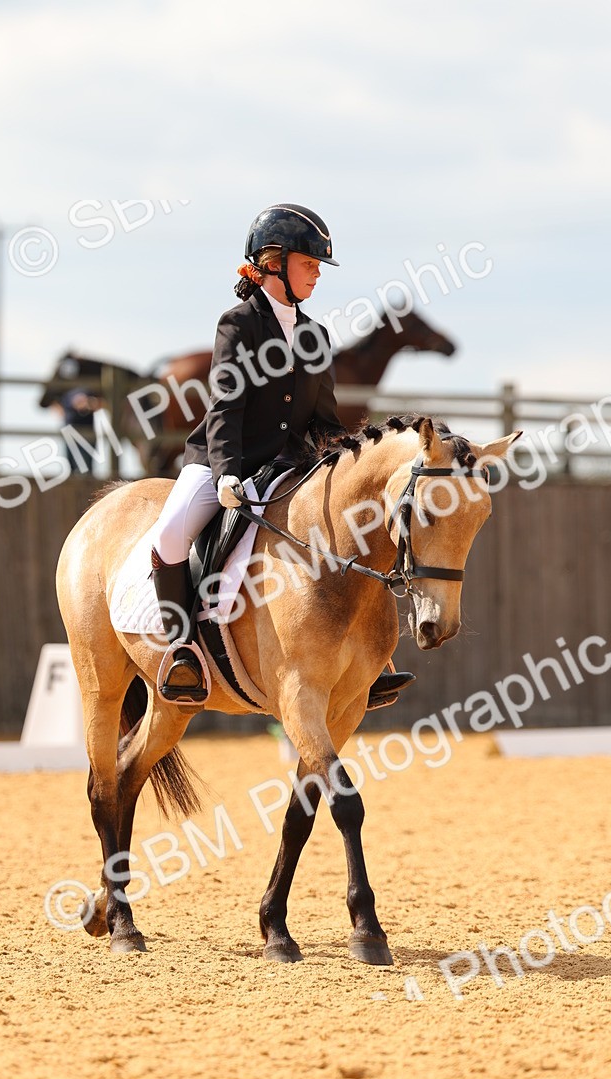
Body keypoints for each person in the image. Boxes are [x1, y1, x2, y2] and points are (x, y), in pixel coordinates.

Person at [150, 203, 414, 707]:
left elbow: (325, 418)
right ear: (273, 262)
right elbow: (226, 406)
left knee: (351, 528)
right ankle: (182, 649)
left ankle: (372, 657)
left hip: (291, 466)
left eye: (318, 267)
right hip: (225, 461)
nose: (317, 275)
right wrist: (225, 474)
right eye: (309, 264)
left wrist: (347, 458)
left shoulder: (315, 335)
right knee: (168, 534)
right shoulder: (238, 325)